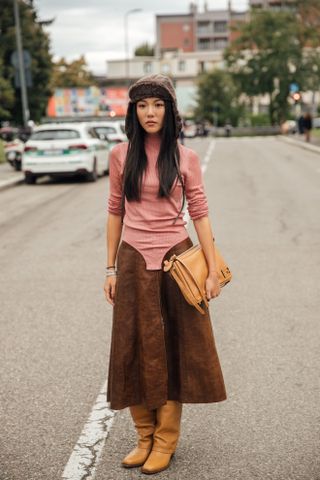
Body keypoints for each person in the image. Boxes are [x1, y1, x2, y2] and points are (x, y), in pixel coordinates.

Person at [104, 74, 227, 475]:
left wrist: (211, 269)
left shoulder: (185, 157)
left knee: (175, 349)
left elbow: (202, 214)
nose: (150, 112)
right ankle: (143, 436)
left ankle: (165, 441)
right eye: (142, 105)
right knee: (132, 348)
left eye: (157, 104)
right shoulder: (121, 155)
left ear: (170, 110)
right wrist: (110, 268)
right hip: (133, 260)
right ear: (133, 111)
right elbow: (115, 211)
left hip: (176, 260)